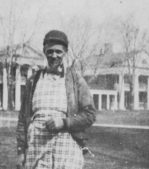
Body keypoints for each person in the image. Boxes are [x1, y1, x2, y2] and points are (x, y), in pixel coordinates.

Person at [16, 30, 96, 169]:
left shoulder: (75, 80)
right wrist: (21, 151)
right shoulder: (33, 80)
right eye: (50, 51)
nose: (54, 55)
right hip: (37, 147)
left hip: (66, 147)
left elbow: (90, 115)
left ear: (65, 52)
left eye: (58, 52)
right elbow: (23, 119)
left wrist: (64, 122)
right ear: (44, 51)